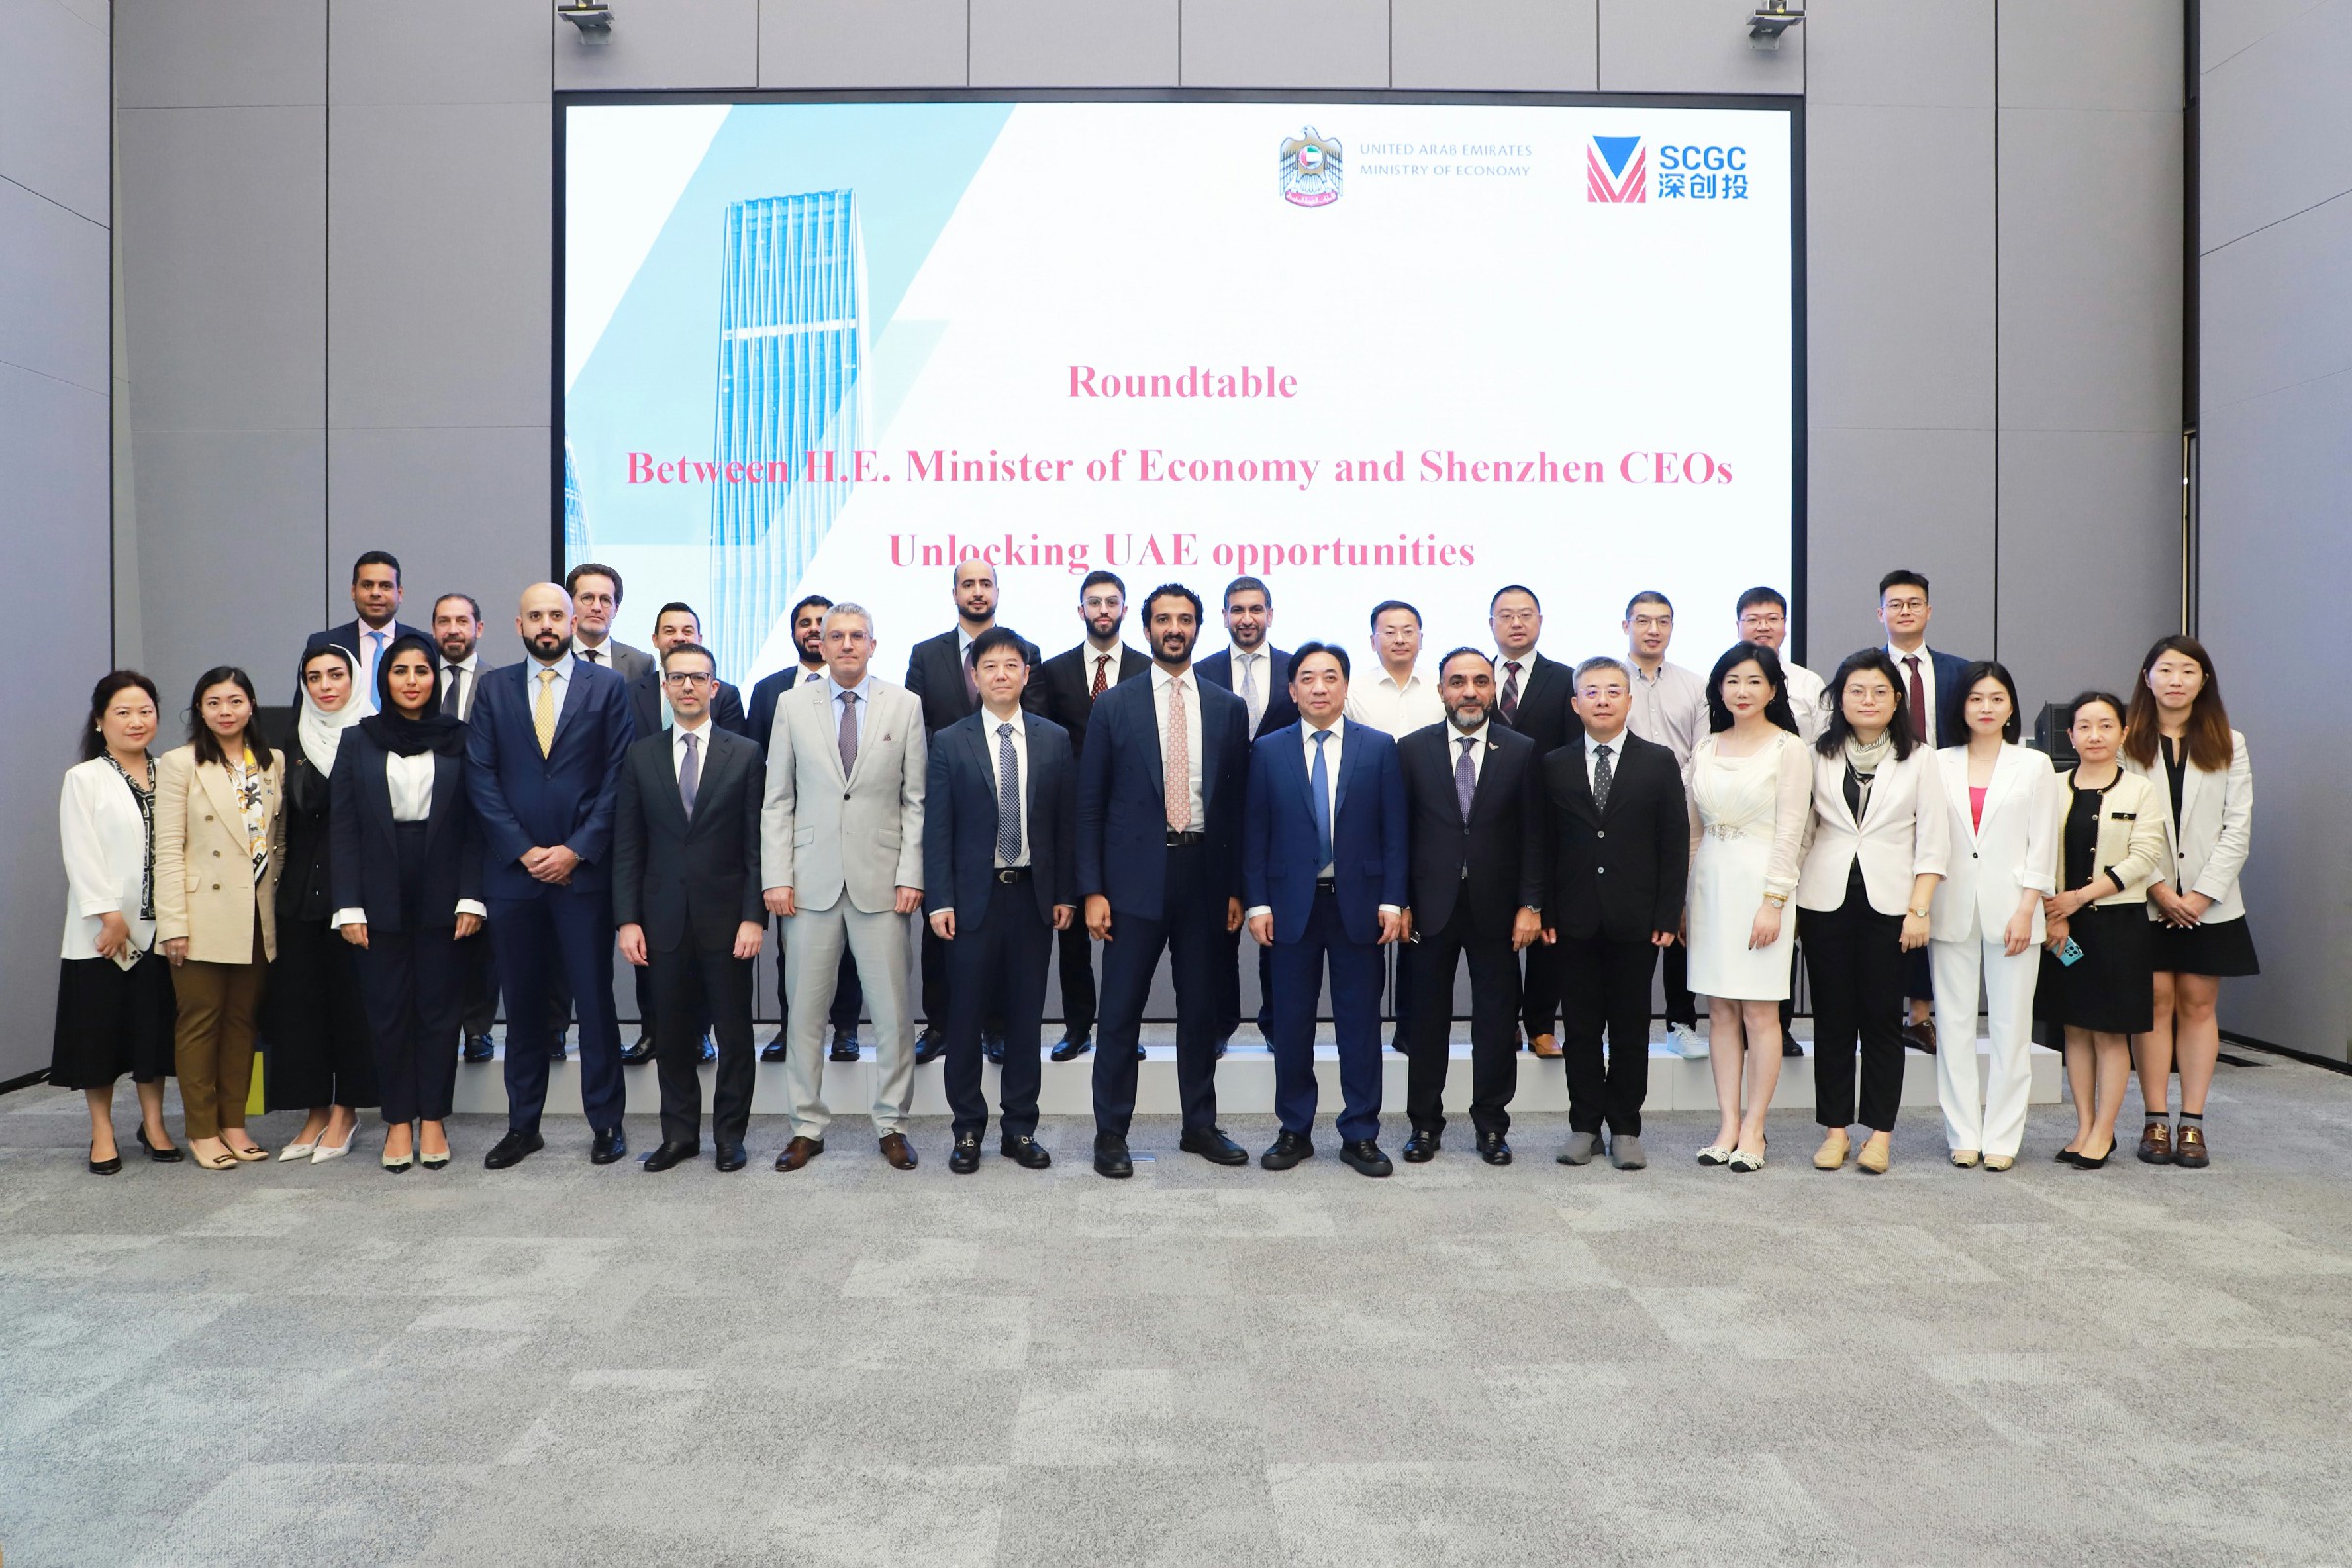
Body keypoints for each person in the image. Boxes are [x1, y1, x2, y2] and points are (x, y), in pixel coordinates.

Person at [1077, 583, 1253, 1178]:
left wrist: (1236, 888)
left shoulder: (1227, 707)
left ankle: (1199, 1125)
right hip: (1131, 882)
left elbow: (1236, 807)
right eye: (1163, 620)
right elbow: (1090, 806)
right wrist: (1093, 889)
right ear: (1146, 628)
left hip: (1204, 877)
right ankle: (1110, 1133)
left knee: (1200, 1010)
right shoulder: (1113, 705)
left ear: (1199, 628)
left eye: (1184, 620)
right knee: (1119, 1011)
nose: (1174, 629)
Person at [466, 582, 635, 1169]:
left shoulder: (607, 687)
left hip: (582, 877)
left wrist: (575, 850)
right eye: (535, 615)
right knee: (523, 1004)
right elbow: (481, 776)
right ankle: (523, 1126)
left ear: (572, 621)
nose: (547, 624)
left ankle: (607, 1123)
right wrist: (523, 850)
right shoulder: (493, 689)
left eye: (556, 614)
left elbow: (618, 776)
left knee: (594, 1002)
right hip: (514, 878)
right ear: (519, 625)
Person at [760, 602, 928, 1172]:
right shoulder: (791, 704)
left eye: (858, 635)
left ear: (873, 645)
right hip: (809, 883)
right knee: (805, 1015)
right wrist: (777, 876)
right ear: (822, 645)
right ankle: (806, 1127)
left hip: (883, 881)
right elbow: (778, 799)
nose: (847, 644)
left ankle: (892, 1124)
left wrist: (910, 873)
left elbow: (915, 800)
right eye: (837, 636)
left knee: (893, 1015)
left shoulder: (905, 704)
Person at [1244, 642, 1408, 1177]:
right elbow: (1255, 833)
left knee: (1359, 1025)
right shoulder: (1268, 750)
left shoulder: (1377, 747)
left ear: (1345, 686)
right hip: (1290, 907)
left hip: (1358, 906)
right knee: (1291, 1024)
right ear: (1292, 690)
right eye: (1308, 678)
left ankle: (1360, 1133)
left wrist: (1393, 900)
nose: (1319, 687)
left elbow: (1395, 832)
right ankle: (1294, 1129)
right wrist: (1257, 903)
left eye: (1330, 677)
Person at [924, 626, 1076, 1172]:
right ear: (975, 676)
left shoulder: (1054, 738)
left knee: (1025, 1019)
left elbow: (1064, 825)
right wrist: (939, 900)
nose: (1001, 675)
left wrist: (1065, 894)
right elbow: (937, 829)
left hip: (1032, 897)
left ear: (1026, 674)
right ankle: (967, 1129)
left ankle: (1019, 1128)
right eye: (989, 666)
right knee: (964, 1018)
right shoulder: (950, 740)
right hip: (972, 900)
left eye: (1011, 665)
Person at [332, 635, 484, 1172]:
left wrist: (473, 895)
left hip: (446, 887)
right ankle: (398, 1121)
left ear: (435, 679)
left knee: (440, 1011)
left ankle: (434, 1118)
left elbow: (476, 824)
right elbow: (344, 827)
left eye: (422, 670)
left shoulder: (460, 738)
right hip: (377, 889)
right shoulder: (358, 740)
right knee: (388, 1011)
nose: (412, 680)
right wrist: (348, 905)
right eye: (401, 671)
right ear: (385, 679)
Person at [612, 639, 766, 1174]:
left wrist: (753, 915)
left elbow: (756, 844)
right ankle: (679, 1136)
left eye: (698, 677)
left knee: (734, 1034)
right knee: (673, 1034)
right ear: (665, 686)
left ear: (714, 687)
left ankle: (729, 1137)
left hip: (729, 921)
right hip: (662, 920)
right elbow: (628, 845)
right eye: (677, 677)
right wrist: (628, 919)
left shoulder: (744, 753)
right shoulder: (640, 755)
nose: (687, 686)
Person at [1798, 649, 1950, 1175]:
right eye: (1857, 691)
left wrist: (1919, 908)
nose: (1868, 700)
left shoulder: (1920, 759)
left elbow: (1934, 840)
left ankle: (1880, 1134)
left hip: (1893, 906)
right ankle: (1835, 1130)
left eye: (1880, 691)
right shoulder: (1817, 755)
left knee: (1883, 1022)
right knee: (1832, 1020)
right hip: (1825, 901)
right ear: (1840, 699)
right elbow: (1804, 832)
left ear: (1897, 699)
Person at [1396, 649, 1544, 1164]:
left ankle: (1492, 1127)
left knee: (1497, 1023)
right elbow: (1399, 833)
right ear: (1440, 690)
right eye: (1457, 682)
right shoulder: (1412, 749)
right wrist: (1400, 902)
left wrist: (1530, 904)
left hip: (1497, 911)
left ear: (1493, 689)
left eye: (1480, 681)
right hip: (1427, 911)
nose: (1469, 691)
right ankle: (1423, 1125)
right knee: (1425, 1021)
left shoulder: (1521, 750)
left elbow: (1535, 835)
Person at [1542, 656, 1689, 1171]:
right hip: (1572, 919)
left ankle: (1625, 1126)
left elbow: (1673, 843)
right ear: (1575, 703)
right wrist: (1545, 910)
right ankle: (1584, 1125)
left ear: (1628, 700)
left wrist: (1667, 914)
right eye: (1591, 692)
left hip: (1637, 919)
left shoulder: (1658, 761)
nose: (1602, 700)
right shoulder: (1554, 763)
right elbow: (1542, 843)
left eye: (1612, 691)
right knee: (1581, 1029)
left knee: (1630, 1027)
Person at [2122, 636, 2257, 1168]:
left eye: (2188, 670)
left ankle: (2193, 1121)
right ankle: (2155, 1119)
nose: (2176, 680)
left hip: (2210, 901)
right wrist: (2158, 888)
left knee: (2198, 1004)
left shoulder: (2230, 743)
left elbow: (2237, 827)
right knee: (2154, 1002)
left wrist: (2200, 895)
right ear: (2147, 677)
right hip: (2145, 896)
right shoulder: (2127, 740)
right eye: (2165, 669)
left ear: (2204, 681)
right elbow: (2124, 827)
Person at [904, 560, 1044, 1065]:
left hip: (1009, 796)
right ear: (955, 593)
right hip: (948, 793)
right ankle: (940, 1025)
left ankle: (996, 1029)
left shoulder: (1025, 652)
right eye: (969, 584)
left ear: (997, 591)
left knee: (1004, 939)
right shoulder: (926, 654)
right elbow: (913, 724)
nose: (978, 591)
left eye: (986, 583)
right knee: (943, 931)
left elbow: (1035, 722)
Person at [1682, 644, 1810, 1172]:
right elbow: (1694, 834)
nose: (1742, 691)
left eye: (1754, 681)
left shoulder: (1788, 749)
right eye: (1732, 681)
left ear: (1773, 690)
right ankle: (1727, 1125)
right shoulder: (1706, 747)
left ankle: (1755, 1128)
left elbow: (1791, 832)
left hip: (1763, 887)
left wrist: (1773, 902)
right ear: (1719, 688)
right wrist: (1686, 900)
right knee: (1720, 1011)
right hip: (1710, 885)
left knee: (1759, 1011)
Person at [1928, 662, 2060, 1171]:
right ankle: (1962, 1133)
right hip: (1950, 906)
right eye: (1976, 698)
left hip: (2015, 910)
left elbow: (2042, 844)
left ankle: (2003, 1136)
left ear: (2011, 707)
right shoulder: (1937, 762)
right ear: (1960, 706)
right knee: (1954, 1027)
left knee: (2011, 1028)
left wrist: (2028, 908)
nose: (1986, 707)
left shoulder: (2034, 764)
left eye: (1997, 698)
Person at [154, 666, 285, 1170]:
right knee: (200, 1022)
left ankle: (234, 1123)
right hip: (201, 913)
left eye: (234, 701)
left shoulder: (270, 762)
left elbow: (278, 840)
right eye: (213, 702)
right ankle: (202, 1129)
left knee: (242, 1023)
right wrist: (173, 924)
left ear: (251, 705)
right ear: (199, 710)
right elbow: (167, 849)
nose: (225, 711)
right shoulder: (179, 762)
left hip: (256, 913)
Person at [53, 671, 180, 1174]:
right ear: (100, 721)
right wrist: (110, 916)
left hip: (160, 929)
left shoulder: (172, 772)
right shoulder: (83, 779)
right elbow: (80, 853)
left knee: (152, 1032)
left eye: (145, 711)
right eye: (122, 713)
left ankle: (154, 1124)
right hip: (103, 933)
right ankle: (102, 1130)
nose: (136, 721)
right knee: (99, 1034)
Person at [2036, 691, 2167, 1169]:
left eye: (2106, 725)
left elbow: (2144, 857)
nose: (2095, 735)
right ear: (2069, 735)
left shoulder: (2140, 790)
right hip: (2062, 925)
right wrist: (2056, 913)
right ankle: (2084, 1126)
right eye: (2085, 726)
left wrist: (2081, 896)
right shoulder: (2050, 786)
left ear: (2123, 733)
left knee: (2110, 1033)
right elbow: (2037, 851)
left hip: (2118, 925)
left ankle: (2105, 1130)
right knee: (2074, 1029)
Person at [263, 645, 377, 1164]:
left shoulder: (375, 735)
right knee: (301, 1009)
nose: (326, 686)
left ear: (354, 680)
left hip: (356, 896)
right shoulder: (289, 741)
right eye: (314, 677)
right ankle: (313, 1111)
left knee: (352, 1008)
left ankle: (346, 1110)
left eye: (336, 675)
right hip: (298, 897)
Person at [1031, 569, 1150, 1062]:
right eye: (1094, 602)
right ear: (1080, 610)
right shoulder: (1053, 670)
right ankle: (1077, 1026)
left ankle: (1123, 1029)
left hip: (1132, 819)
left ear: (1124, 609)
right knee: (1074, 933)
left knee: (1130, 934)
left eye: (1112, 601)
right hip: (1072, 817)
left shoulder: (1147, 669)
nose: (1103, 610)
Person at [618, 600, 742, 1067]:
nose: (677, 636)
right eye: (668, 630)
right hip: (659, 863)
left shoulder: (729, 709)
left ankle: (701, 1033)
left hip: (715, 873)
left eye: (687, 629)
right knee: (657, 966)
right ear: (655, 641)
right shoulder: (632, 700)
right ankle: (654, 1031)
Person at [746, 593, 865, 1066]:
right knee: (791, 946)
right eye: (805, 623)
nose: (813, 629)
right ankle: (790, 1027)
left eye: (822, 622)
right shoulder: (770, 692)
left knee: (851, 946)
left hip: (853, 841)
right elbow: (759, 770)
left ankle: (847, 1030)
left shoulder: (871, 695)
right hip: (795, 841)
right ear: (793, 632)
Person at [1196, 575, 1293, 1051]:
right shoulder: (1202, 672)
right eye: (1237, 609)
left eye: (1256, 609)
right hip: (1221, 818)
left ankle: (1276, 1024)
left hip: (1284, 818)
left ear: (1270, 614)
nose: (1247, 619)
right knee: (1220, 928)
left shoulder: (1298, 669)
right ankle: (1220, 1026)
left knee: (1280, 926)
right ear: (1224, 616)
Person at [1878, 568, 1973, 1053]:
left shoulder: (1959, 671)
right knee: (1890, 900)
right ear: (1880, 614)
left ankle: (1921, 1015)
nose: (1905, 611)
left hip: (1947, 798)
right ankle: (1883, 1013)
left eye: (1914, 603)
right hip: (1885, 801)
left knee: (1932, 900)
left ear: (1929, 611)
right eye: (1895, 604)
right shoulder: (1867, 670)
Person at [1734, 585, 1824, 1057]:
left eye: (1772, 618)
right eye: (1753, 619)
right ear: (1738, 626)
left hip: (1791, 815)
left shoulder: (1809, 685)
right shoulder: (1726, 679)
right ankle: (1735, 1025)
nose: (1763, 627)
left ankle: (1779, 1024)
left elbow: (1823, 749)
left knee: (1783, 924)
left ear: (1785, 626)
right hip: (1737, 816)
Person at [1487, 584, 1575, 1060]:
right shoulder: (1474, 676)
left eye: (1525, 614)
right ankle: (1504, 1024)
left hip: (1547, 817)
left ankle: (1541, 1024)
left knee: (1546, 929)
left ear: (1540, 621)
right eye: (1506, 615)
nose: (1516, 623)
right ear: (1491, 624)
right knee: (1497, 927)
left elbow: (1572, 751)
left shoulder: (1564, 679)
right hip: (1487, 820)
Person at [1621, 590, 1708, 1060]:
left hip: (1685, 816)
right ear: (1626, 626)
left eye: (1663, 621)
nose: (1653, 630)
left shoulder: (1695, 685)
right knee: (1629, 919)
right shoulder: (1609, 683)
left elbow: (1704, 750)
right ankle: (1621, 1023)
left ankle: (1681, 1022)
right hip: (1623, 817)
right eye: (1643, 620)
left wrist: (1674, 791)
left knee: (1680, 914)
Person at [432, 592, 500, 1063]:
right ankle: (439, 1024)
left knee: (482, 934)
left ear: (480, 628)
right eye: (444, 621)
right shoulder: (414, 680)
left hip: (484, 818)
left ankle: (478, 1028)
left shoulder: (500, 685)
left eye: (462, 621)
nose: (453, 629)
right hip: (428, 820)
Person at [305, 550, 427, 714]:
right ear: (353, 591)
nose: (376, 593)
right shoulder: (323, 644)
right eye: (367, 585)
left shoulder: (424, 644)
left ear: (399, 593)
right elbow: (303, 713)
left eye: (385, 586)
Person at [565, 562, 653, 680]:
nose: (596, 607)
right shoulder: (554, 655)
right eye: (587, 597)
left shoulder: (640, 663)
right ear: (570, 603)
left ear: (616, 609)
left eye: (605, 600)